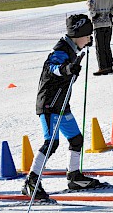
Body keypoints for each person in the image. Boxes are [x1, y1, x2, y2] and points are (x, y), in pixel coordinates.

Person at [22, 14, 100, 200]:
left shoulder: (72, 48)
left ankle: (74, 177)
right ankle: (31, 182)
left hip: (61, 105)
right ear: (78, 35)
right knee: (51, 143)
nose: (90, 39)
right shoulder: (61, 50)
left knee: (76, 139)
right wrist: (67, 69)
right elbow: (53, 66)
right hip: (49, 104)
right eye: (88, 35)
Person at [87, 0, 113, 76]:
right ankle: (110, 66)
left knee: (100, 47)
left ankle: (103, 67)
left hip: (98, 26)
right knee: (107, 45)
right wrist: (111, 13)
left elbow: (90, 7)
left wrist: (94, 15)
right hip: (108, 24)